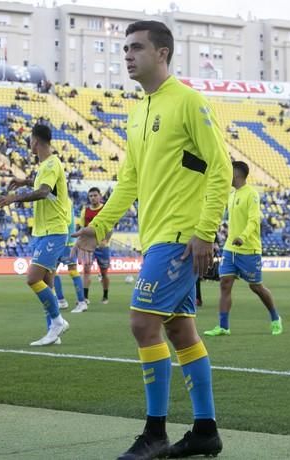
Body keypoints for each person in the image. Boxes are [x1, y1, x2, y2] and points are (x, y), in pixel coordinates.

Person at [73, 20, 231, 460]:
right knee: (180, 330)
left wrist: (205, 232)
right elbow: (130, 181)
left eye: (136, 47)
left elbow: (220, 168)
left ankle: (155, 433)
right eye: (124, 48)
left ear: (162, 53)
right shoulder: (139, 111)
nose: (127, 54)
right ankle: (205, 430)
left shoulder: (189, 102)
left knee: (143, 324)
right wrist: (99, 226)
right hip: (157, 236)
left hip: (181, 236)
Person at [0, 124, 70, 346]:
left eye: (29, 139)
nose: (29, 143)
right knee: (47, 281)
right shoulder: (46, 165)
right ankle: (52, 332)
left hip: (53, 231)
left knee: (32, 278)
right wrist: (24, 181)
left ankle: (57, 322)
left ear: (35, 141)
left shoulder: (51, 163)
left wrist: (13, 197)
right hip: (44, 231)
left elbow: (44, 192)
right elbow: (43, 185)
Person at [204, 161, 282, 337]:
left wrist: (243, 237)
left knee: (256, 287)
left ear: (237, 174)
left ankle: (275, 318)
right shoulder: (231, 195)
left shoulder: (251, 194)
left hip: (249, 249)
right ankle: (223, 326)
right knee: (225, 284)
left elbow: (254, 220)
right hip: (230, 249)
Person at [78, 186, 111, 308]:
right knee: (86, 271)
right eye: (90, 196)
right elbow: (82, 228)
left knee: (104, 273)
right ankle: (85, 297)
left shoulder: (105, 209)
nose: (93, 198)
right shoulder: (84, 211)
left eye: (95, 195)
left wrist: (105, 240)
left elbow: (110, 227)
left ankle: (105, 295)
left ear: (100, 196)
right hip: (88, 246)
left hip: (103, 247)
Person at [54, 196, 88, 311]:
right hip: (59, 240)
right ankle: (61, 300)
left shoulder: (65, 200)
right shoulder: (61, 199)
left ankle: (82, 302)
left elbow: (66, 219)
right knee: (52, 271)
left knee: (72, 270)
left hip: (66, 241)